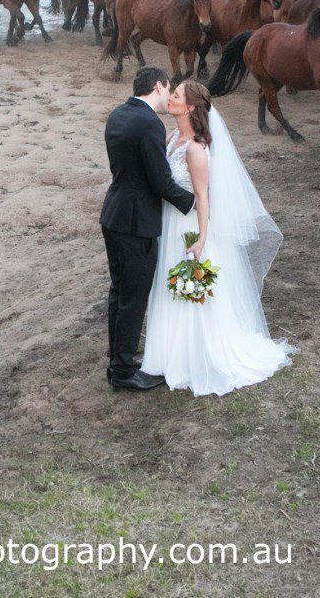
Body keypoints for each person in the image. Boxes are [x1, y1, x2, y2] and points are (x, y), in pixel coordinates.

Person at [140, 81, 294, 396]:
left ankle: (198, 355)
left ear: (191, 107)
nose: (171, 97)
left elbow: (202, 196)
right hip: (169, 224)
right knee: (170, 289)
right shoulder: (171, 139)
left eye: (177, 95)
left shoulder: (196, 148)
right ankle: (168, 353)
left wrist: (201, 239)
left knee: (191, 291)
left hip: (188, 228)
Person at [100, 67, 195, 391]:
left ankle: (117, 362)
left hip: (113, 213)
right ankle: (125, 371)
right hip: (136, 221)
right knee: (134, 295)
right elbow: (160, 181)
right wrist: (192, 202)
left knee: (119, 292)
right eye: (169, 89)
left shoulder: (118, 115)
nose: (170, 97)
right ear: (158, 85)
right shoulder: (150, 123)